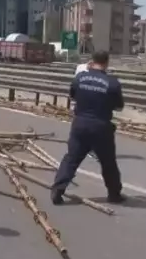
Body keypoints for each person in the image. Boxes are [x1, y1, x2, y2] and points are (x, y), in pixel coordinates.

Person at [51, 50, 125, 205]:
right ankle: (114, 195)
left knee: (71, 159)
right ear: (106, 62)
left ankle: (58, 190)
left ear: (92, 60)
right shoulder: (112, 83)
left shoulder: (80, 78)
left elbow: (72, 96)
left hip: (80, 124)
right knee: (108, 162)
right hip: (101, 127)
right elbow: (119, 107)